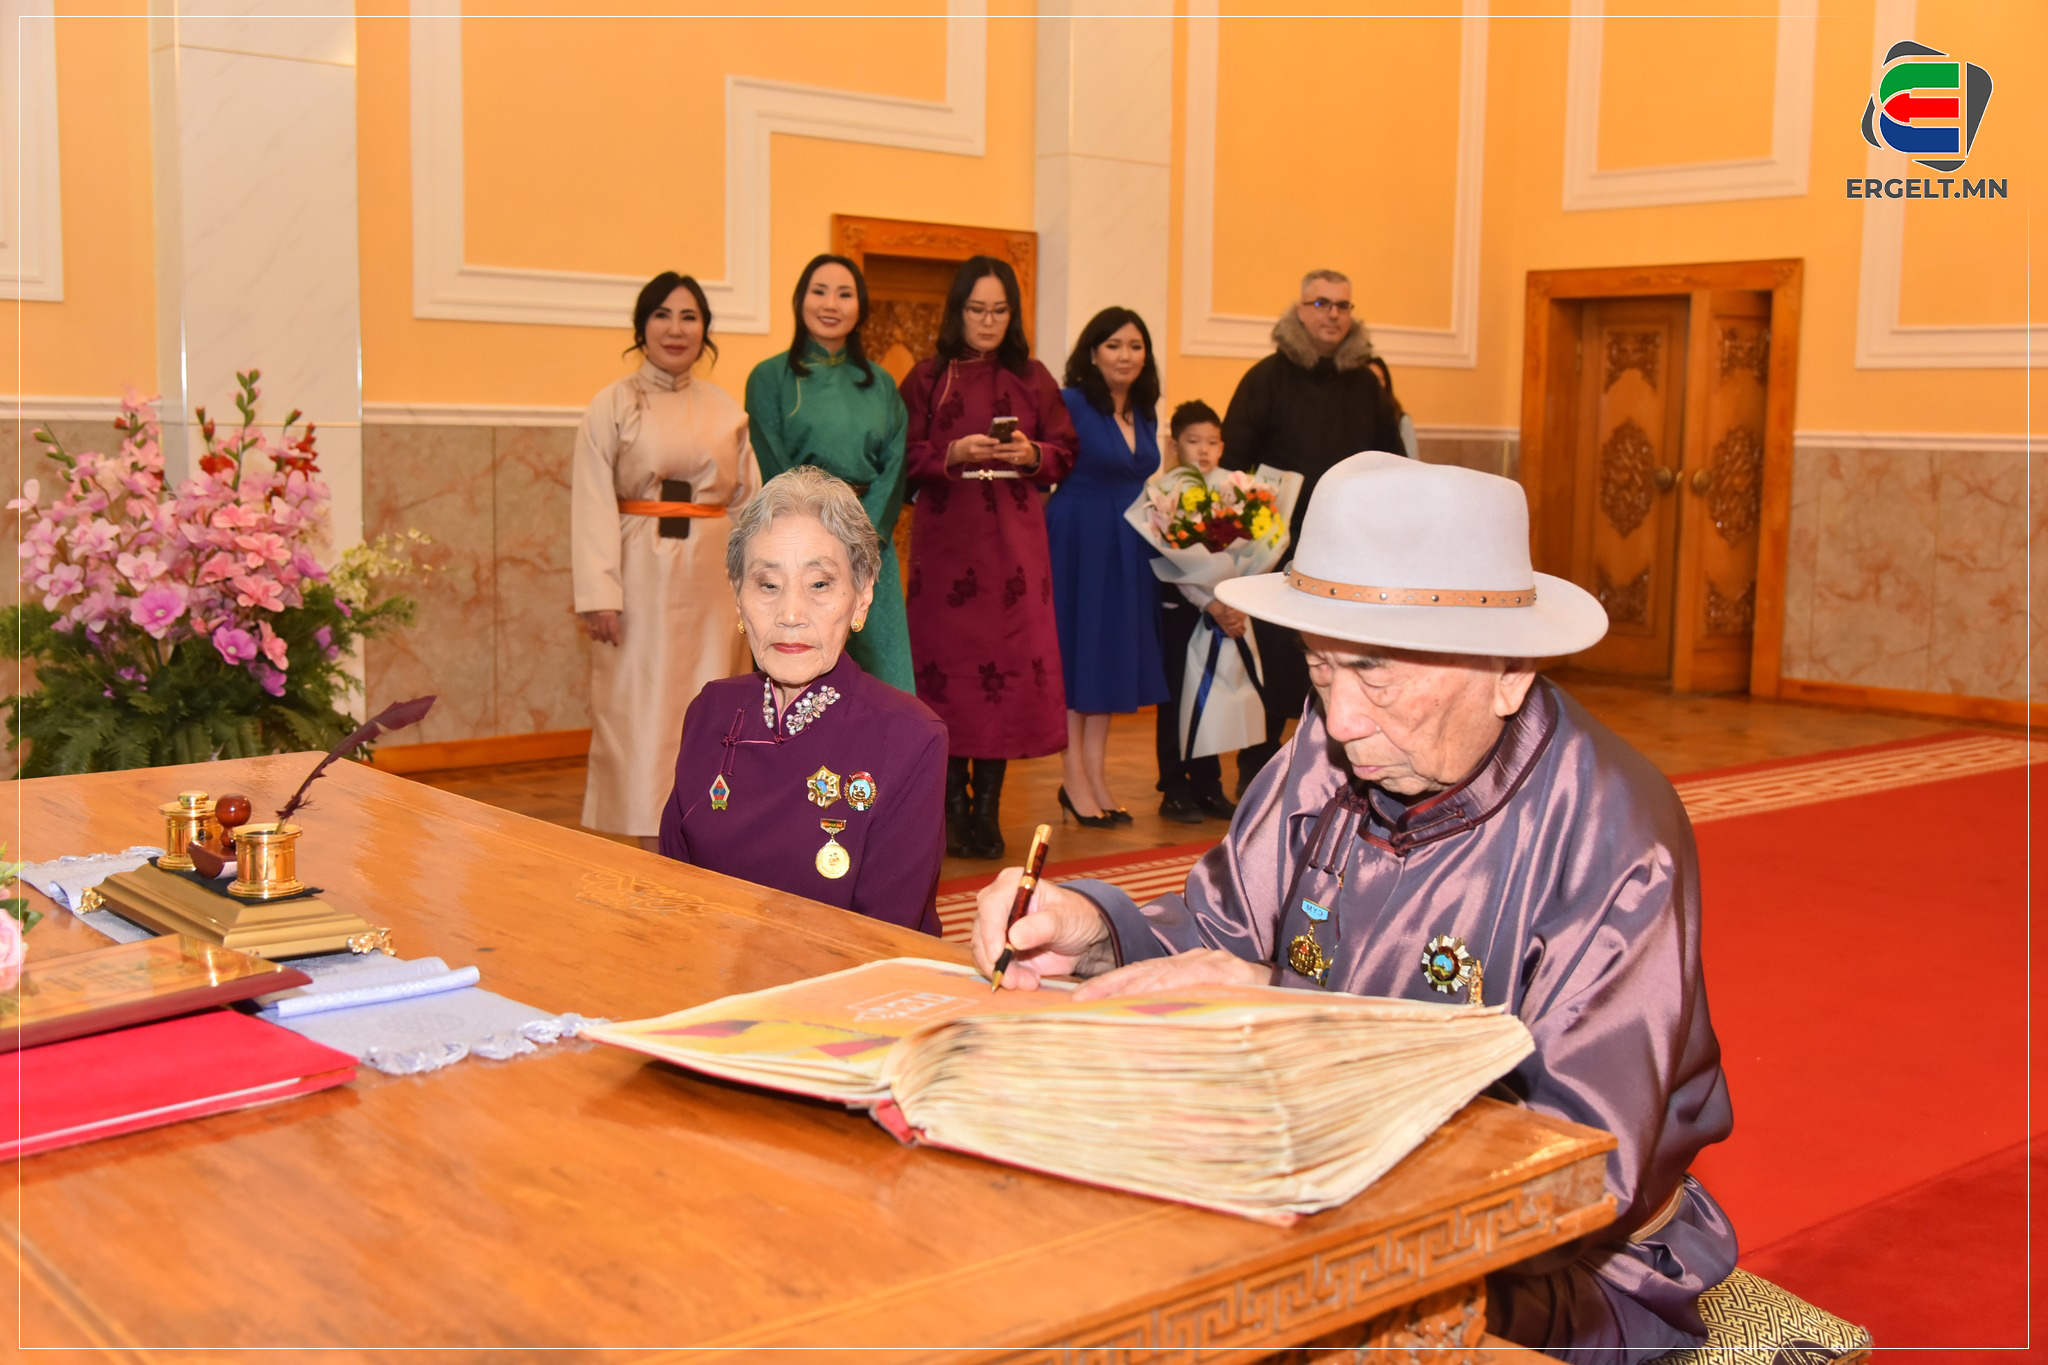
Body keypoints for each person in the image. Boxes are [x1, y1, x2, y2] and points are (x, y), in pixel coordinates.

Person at [971, 452, 1737, 1364]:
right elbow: (1220, 933)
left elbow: (1574, 1173)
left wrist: (1294, 1018)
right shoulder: (1328, 753)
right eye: (1320, 668)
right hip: (1317, 1190)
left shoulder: (1612, 837)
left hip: (1544, 1268)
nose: (1340, 720)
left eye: (1376, 674)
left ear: (1508, 671)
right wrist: (1095, 930)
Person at [659, 466, 946, 934]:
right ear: (737, 595)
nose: (790, 614)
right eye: (768, 585)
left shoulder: (910, 738)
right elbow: (672, 894)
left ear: (862, 596)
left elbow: (886, 937)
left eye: (819, 585)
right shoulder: (711, 711)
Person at [574, 271, 759, 849]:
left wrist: (759, 587)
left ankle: (710, 825)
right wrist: (600, 594)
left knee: (713, 701)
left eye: (689, 317)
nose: (676, 329)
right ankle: (646, 834)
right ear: (642, 326)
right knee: (640, 709)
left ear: (705, 330)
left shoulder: (726, 410)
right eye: (662, 315)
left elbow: (748, 503)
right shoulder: (612, 404)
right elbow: (591, 502)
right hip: (639, 583)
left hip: (712, 585)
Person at [901, 256, 1077, 860]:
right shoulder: (928, 377)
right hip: (947, 542)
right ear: (958, 311)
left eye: (999, 310)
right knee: (948, 671)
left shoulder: (1033, 376)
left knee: (1004, 669)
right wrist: (950, 453)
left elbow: (1065, 451)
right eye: (977, 309)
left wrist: (1032, 453)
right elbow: (902, 454)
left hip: (1014, 542)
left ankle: (987, 808)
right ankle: (953, 805)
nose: (988, 320)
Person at [1222, 269, 1409, 795]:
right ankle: (1256, 780)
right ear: (1300, 311)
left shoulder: (1365, 386)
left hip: (1351, 555)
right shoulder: (1266, 379)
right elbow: (1234, 466)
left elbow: (1394, 464)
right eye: (1322, 303)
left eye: (1343, 306)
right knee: (1275, 667)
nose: (1333, 314)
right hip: (1276, 553)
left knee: (1342, 667)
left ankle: (1342, 779)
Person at [744, 254, 914, 693]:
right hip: (797, 549)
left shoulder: (881, 384)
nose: (831, 304)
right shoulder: (770, 378)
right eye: (819, 291)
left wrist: (861, 536)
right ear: (800, 299)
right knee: (800, 662)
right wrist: (818, 534)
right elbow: (773, 465)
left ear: (861, 306)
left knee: (884, 675)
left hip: (871, 543)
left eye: (845, 294)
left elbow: (895, 465)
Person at [1047, 306, 1169, 828]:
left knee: (1108, 659)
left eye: (1135, 346)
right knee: (1079, 657)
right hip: (1079, 540)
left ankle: (1096, 778)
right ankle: (1073, 780)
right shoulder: (1071, 402)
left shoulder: (1144, 409)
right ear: (1092, 353)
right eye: (1114, 345)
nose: (1126, 355)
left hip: (1129, 544)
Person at [1151, 401, 1245, 824]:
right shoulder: (1165, 492)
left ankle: (1208, 784)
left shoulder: (1235, 490)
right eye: (1193, 441)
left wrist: (1233, 603)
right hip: (1182, 610)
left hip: (1225, 610)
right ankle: (1174, 787)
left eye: (1212, 442)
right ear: (1175, 446)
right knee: (1178, 697)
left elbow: (1247, 552)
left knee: (1212, 694)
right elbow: (1174, 562)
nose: (1203, 450)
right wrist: (1210, 602)